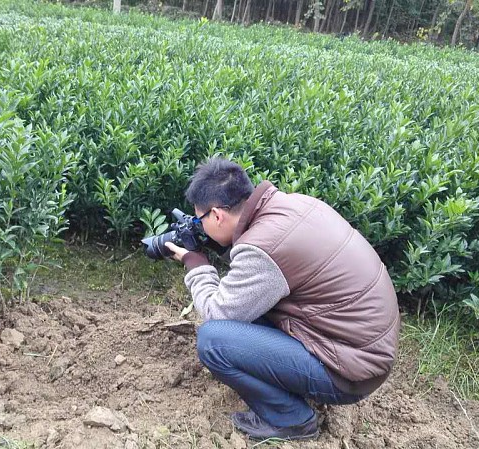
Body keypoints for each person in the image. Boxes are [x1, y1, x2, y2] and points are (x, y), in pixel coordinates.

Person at [164, 157, 400, 441]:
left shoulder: (263, 248)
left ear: (216, 215)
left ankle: (292, 420)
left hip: (350, 373)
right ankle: (295, 383)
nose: (200, 227)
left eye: (199, 220)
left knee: (213, 340)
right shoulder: (293, 205)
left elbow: (217, 312)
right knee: (247, 313)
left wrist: (196, 264)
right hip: (361, 348)